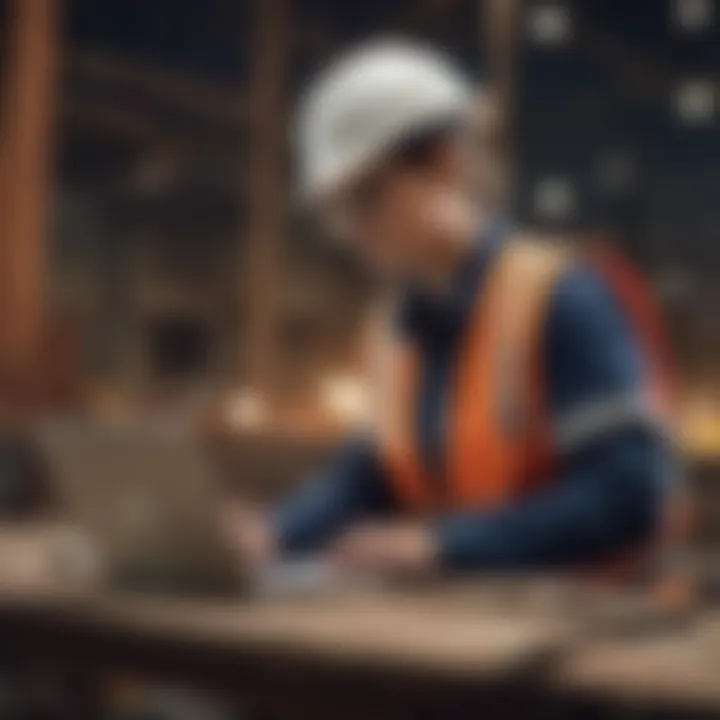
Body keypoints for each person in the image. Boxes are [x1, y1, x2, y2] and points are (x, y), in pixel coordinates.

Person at [224, 40, 680, 581]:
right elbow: (374, 475)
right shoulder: (396, 330)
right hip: (473, 618)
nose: (353, 234)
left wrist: (444, 544)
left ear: (443, 162)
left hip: (581, 627)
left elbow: (627, 495)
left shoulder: (562, 298)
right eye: (338, 214)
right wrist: (275, 532)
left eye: (366, 198)